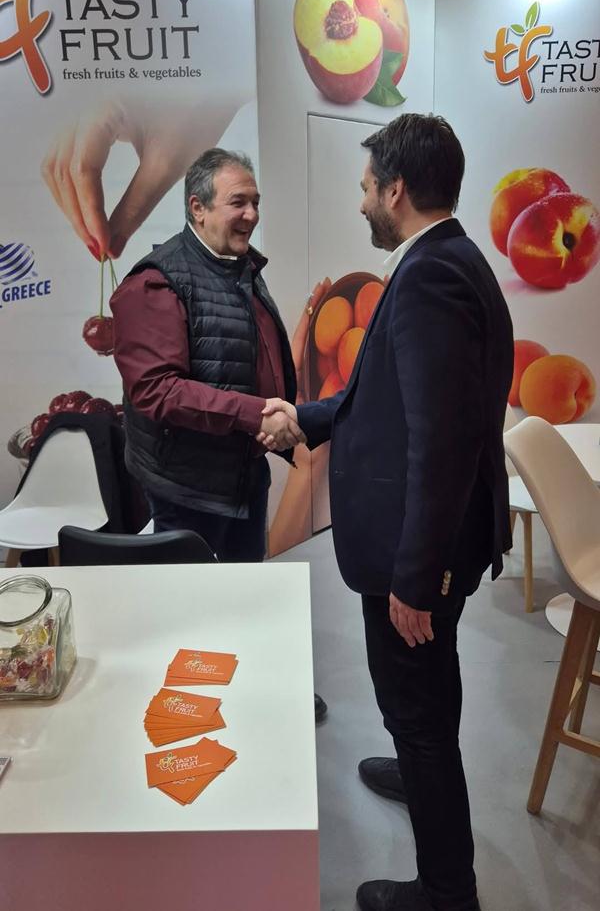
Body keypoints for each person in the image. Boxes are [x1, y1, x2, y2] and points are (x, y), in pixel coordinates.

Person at [259, 113, 514, 911]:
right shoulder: (447, 260)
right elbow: (387, 402)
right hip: (435, 540)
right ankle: (414, 766)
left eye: (367, 187)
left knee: (418, 707)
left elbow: (440, 441)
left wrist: (414, 578)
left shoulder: (431, 277)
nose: (362, 201)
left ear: (397, 190)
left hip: (420, 550)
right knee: (426, 693)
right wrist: (307, 416)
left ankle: (447, 890)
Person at [109, 146, 327, 720]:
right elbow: (156, 390)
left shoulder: (238, 267)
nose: (251, 214)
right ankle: (195, 718)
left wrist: (278, 419)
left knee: (246, 593)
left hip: (242, 474)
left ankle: (253, 694)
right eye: (238, 202)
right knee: (194, 613)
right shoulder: (156, 282)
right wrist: (254, 415)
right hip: (188, 486)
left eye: (255, 201)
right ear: (197, 208)